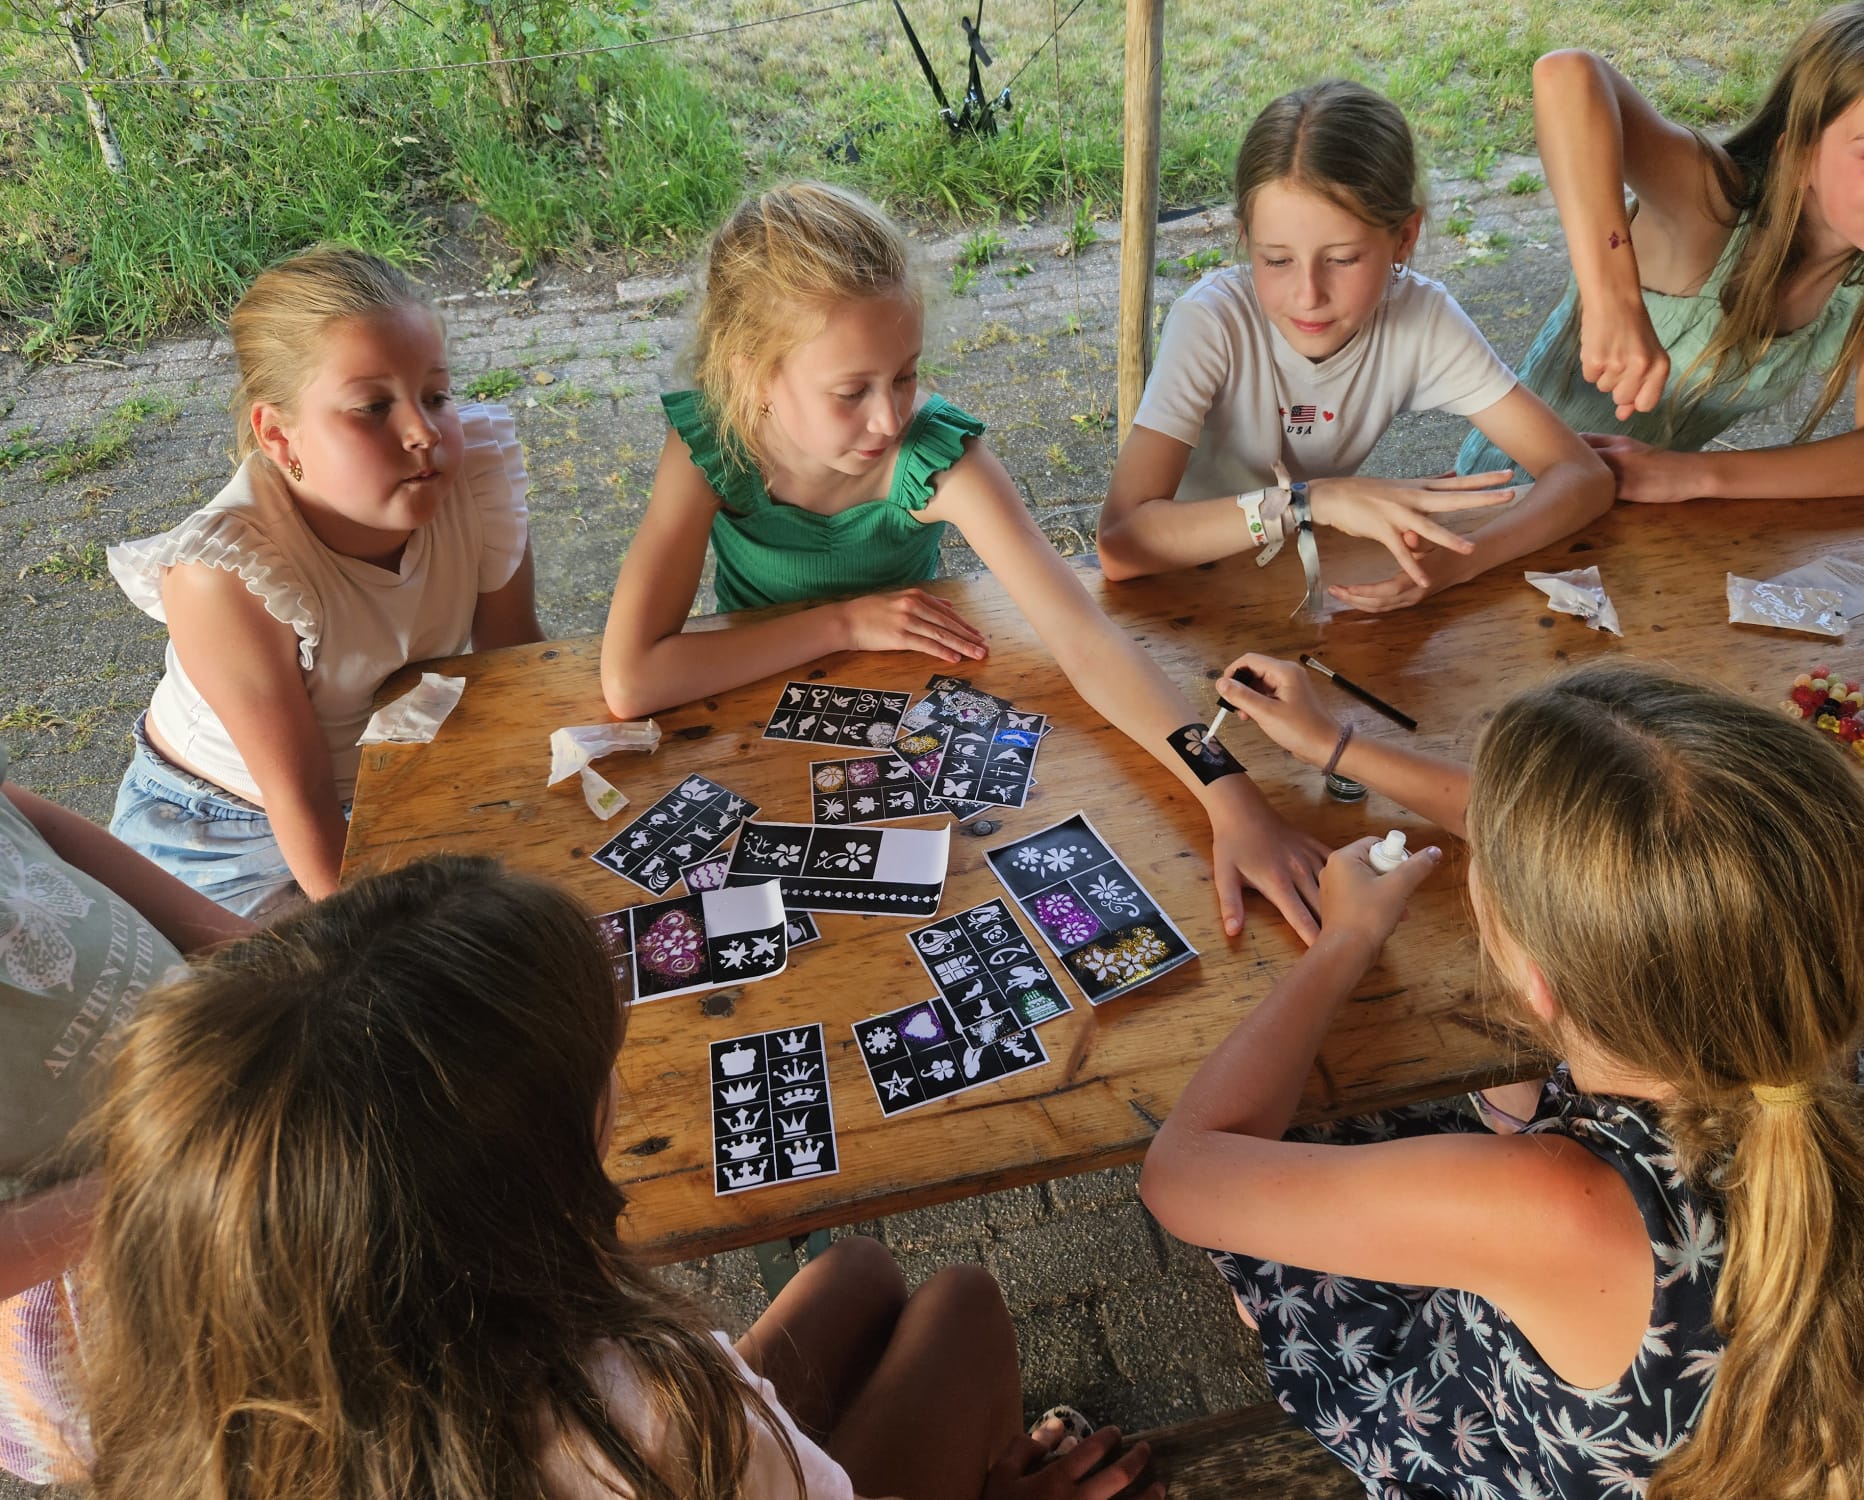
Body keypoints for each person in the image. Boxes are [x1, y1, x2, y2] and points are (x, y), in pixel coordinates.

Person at [78, 854, 1158, 1500]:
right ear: (523, 1176)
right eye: (600, 1070)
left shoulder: (198, 1394)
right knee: (960, 1302)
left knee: (865, 1273)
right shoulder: (660, 1400)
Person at [1140, 658, 1864, 1497]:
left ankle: (1276, 1299)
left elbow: (1184, 1174)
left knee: (1301, 1143)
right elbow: (1647, 847)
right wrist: (1333, 743)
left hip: (1484, 1439)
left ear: (1534, 982)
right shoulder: (1824, 1049)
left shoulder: (1549, 1206)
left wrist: (1346, 938)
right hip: (1694, 1393)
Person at [601, 182, 1330, 941]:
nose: (889, 418)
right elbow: (631, 681)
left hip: (909, 733)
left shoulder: (939, 455)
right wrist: (842, 623)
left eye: (906, 375)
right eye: (851, 391)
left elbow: (1089, 643)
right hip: (753, 727)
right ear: (754, 377)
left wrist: (1232, 799)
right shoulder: (707, 449)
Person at [106, 247, 544, 919]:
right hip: (221, 829)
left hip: (387, 774)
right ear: (279, 439)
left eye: (436, 395)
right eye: (372, 408)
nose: (423, 432)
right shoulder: (224, 575)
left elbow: (517, 665)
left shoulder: (475, 478)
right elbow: (299, 796)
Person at [1095, 80, 1611, 615]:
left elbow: (1582, 477)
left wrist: (1457, 563)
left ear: (1404, 239)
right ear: (1245, 239)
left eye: (1341, 259)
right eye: (1276, 260)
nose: (1308, 296)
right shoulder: (1213, 322)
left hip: (1305, 577)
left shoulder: (1422, 318)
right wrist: (1310, 501)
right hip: (1183, 589)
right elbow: (1122, 542)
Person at [1459, 1, 1864, 504]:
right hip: (1503, 500)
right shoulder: (1710, 205)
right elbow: (1567, 75)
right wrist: (1611, 300)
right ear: (1796, 156)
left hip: (1632, 522)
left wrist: (1691, 476)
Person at [0, 751, 254, 1483]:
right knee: (193, 1452)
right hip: (97, 1273)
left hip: (195, 1138)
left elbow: (24, 812)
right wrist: (151, 1173)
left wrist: (237, 942)